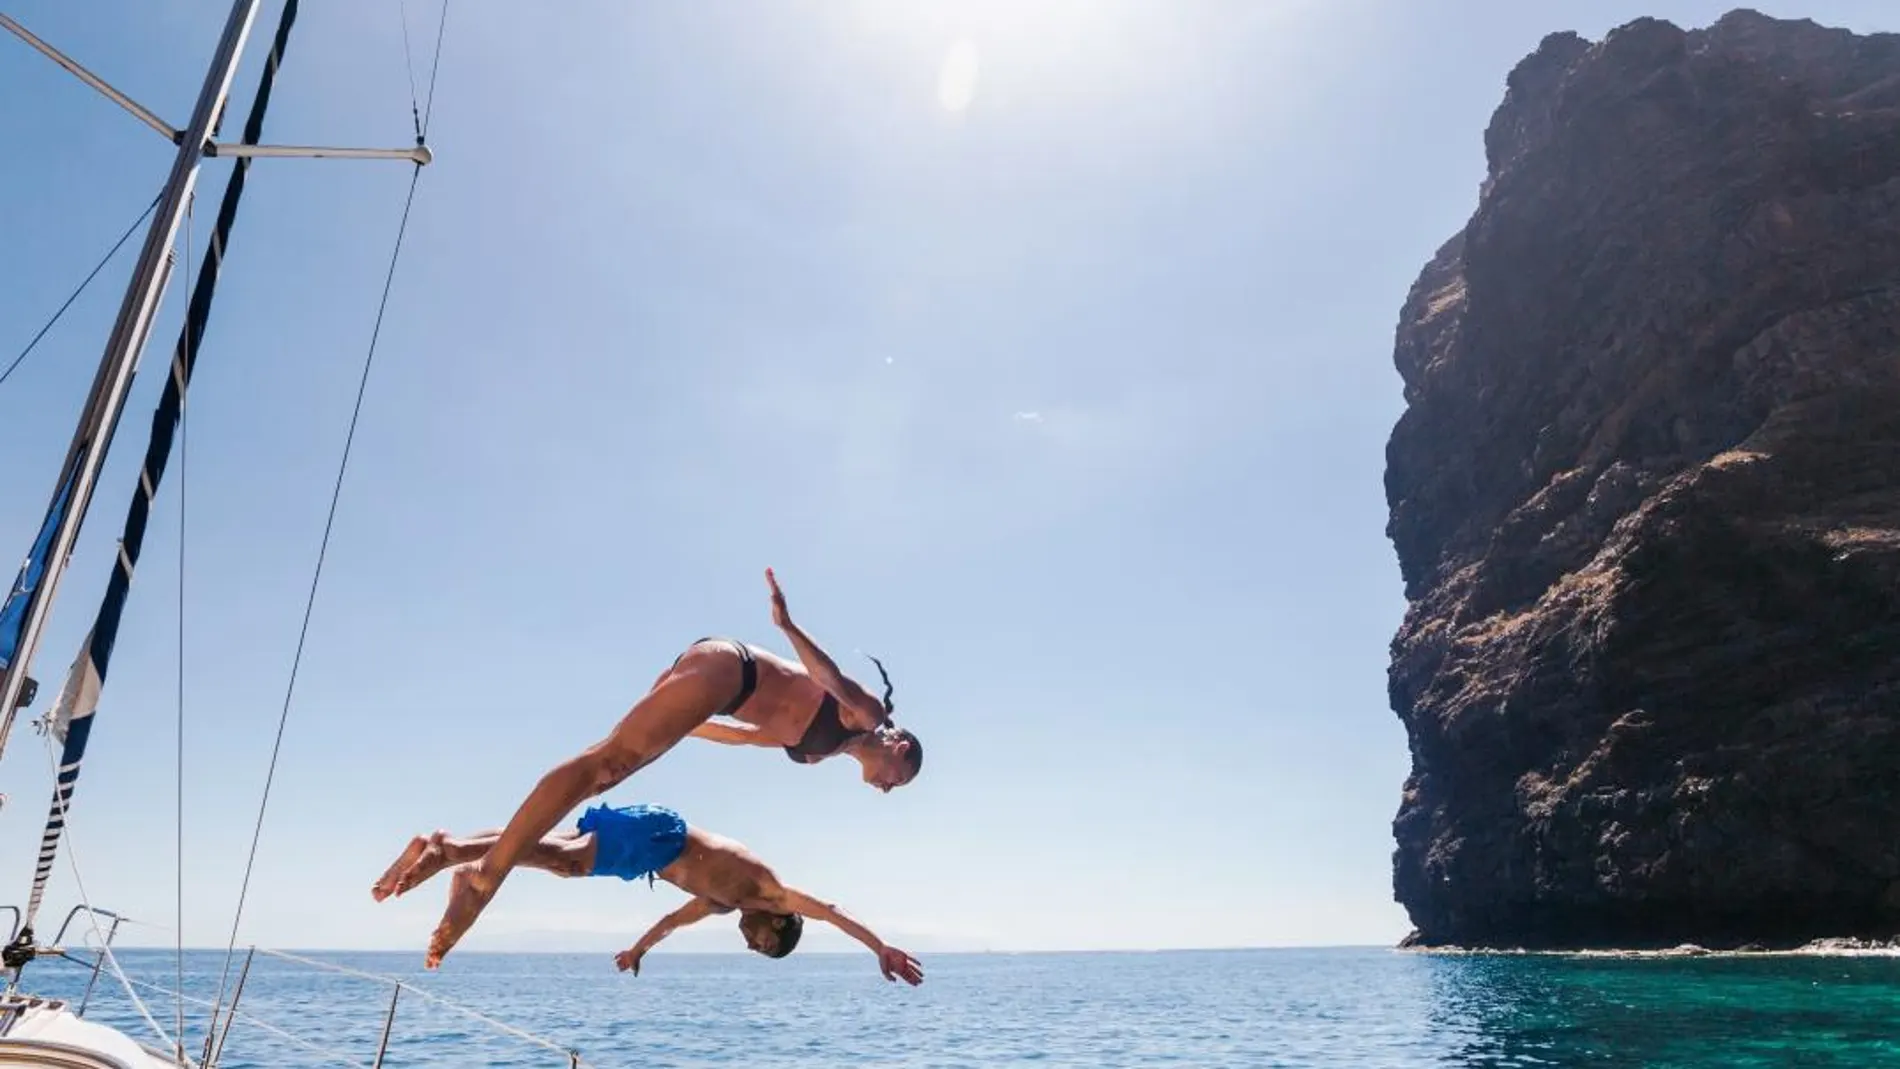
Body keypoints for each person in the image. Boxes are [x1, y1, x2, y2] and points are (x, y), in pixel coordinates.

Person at [416, 568, 921, 969]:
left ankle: (461, 856)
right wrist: (787, 626)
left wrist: (685, 726)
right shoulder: (870, 716)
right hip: (732, 669)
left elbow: (750, 737)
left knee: (603, 779)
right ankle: (481, 879)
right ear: (899, 749)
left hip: (716, 694)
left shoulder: (816, 753)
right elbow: (826, 676)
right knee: (605, 768)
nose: (886, 789)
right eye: (899, 780)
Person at [371, 802, 925, 985]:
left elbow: (670, 923)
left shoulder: (722, 902)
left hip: (653, 841)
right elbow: (831, 910)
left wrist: (639, 950)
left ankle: (454, 848)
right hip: (660, 840)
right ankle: (452, 854)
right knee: (561, 860)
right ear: (777, 927)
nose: (750, 945)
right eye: (761, 946)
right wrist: (879, 946)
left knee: (553, 851)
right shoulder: (772, 895)